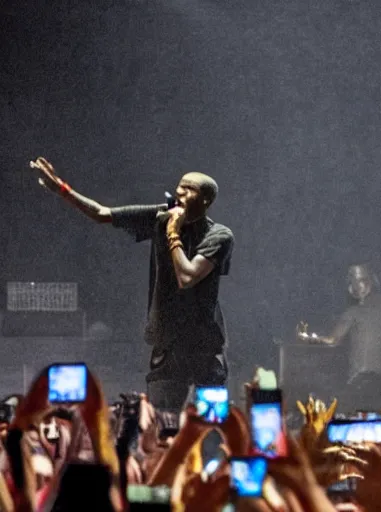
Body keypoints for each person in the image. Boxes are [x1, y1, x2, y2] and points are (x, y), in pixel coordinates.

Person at [29, 157, 234, 417]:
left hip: (205, 344)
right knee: (162, 422)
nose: (180, 192)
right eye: (180, 186)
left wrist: (173, 231)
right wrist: (62, 189)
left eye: (190, 189)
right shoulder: (161, 215)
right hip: (168, 342)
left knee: (211, 422)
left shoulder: (219, 235)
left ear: (206, 200)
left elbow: (188, 276)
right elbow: (102, 214)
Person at [300, 264, 381, 413]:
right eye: (352, 282)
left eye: (360, 280)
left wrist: (308, 338)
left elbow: (332, 340)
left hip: (360, 386)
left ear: (371, 281)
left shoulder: (354, 313)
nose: (356, 286)